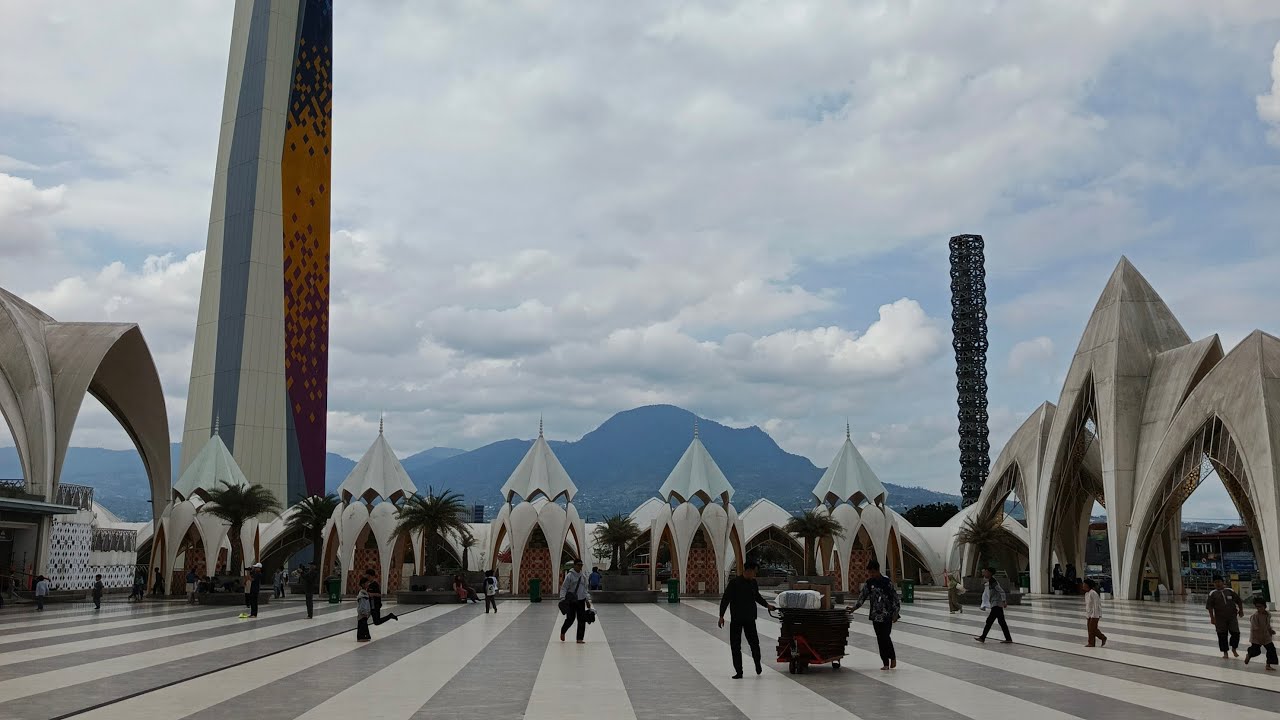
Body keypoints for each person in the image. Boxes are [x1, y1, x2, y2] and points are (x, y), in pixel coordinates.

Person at [718, 560, 775, 679]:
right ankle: (739, 671)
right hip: (737, 619)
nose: (755, 575)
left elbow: (757, 597)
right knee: (735, 646)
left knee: (754, 644)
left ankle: (757, 663)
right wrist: (721, 616)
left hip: (750, 619)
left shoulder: (753, 583)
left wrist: (767, 605)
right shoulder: (734, 583)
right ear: (748, 571)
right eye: (754, 572)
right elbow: (725, 599)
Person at [848, 559, 901, 670]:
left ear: (877, 570)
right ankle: (885, 663)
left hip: (886, 615)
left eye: (873, 572)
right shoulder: (869, 583)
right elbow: (862, 598)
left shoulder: (886, 582)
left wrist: (896, 613)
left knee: (885, 637)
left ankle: (892, 657)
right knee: (880, 639)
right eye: (870, 572)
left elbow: (895, 598)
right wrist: (853, 608)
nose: (871, 574)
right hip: (875, 616)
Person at [1206, 575, 1244, 658]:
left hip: (1232, 617)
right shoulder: (1212, 594)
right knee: (1222, 635)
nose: (1217, 584)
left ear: (1223, 582)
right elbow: (1210, 607)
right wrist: (1212, 618)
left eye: (1219, 582)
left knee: (1236, 633)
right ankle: (1225, 652)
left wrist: (1241, 610)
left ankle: (1234, 648)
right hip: (1220, 619)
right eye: (1215, 582)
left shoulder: (1230, 591)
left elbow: (1239, 601)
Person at [973, 567, 1012, 643]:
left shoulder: (993, 581)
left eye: (987, 572)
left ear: (990, 573)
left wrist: (1004, 601)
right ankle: (1008, 638)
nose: (985, 573)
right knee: (1001, 622)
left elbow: (1001, 591)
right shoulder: (990, 580)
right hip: (995, 603)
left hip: (996, 603)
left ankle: (983, 637)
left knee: (990, 621)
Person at [559, 559, 592, 644]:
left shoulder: (583, 576)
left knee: (582, 619)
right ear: (574, 565)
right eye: (578, 565)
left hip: (581, 600)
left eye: (581, 565)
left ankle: (579, 638)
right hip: (571, 601)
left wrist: (587, 600)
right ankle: (563, 631)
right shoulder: (569, 576)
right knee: (570, 619)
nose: (580, 566)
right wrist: (562, 598)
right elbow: (564, 587)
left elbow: (585, 589)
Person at [1244, 595, 1277, 671]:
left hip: (1266, 636)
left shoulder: (1268, 614)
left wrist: (1270, 630)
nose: (1259, 608)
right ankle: (1249, 654)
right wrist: (1260, 638)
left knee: (1271, 649)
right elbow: (1254, 629)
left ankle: (1268, 665)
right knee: (1256, 651)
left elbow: (1267, 624)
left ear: (1265, 606)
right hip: (1256, 637)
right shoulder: (1255, 616)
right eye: (1257, 607)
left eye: (1260, 607)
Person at [1082, 578, 1107, 647]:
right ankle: (1091, 643)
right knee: (1090, 629)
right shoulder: (1086, 594)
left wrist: (1095, 615)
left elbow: (1096, 605)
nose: (1083, 585)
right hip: (1089, 614)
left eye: (1084, 584)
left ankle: (1103, 637)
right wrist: (1087, 615)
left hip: (1095, 614)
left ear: (1088, 585)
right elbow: (1088, 605)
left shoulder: (1093, 593)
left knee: (1092, 629)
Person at [355, 577, 373, 642]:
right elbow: (362, 605)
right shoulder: (362, 594)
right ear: (363, 584)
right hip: (363, 613)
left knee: (363, 624)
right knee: (362, 624)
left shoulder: (364, 593)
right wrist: (364, 612)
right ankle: (361, 637)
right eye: (367, 583)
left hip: (364, 613)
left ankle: (362, 637)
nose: (368, 584)